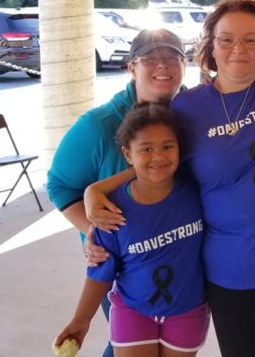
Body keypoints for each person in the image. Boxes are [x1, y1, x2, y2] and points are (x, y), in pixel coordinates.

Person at [89, 0, 255, 357]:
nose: (238, 49)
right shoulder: (188, 108)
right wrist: (97, 191)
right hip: (230, 270)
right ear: (210, 47)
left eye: (251, 39)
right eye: (226, 39)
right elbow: (158, 168)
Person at [47, 28, 187, 357]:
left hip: (179, 263)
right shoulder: (99, 125)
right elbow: (60, 184)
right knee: (128, 345)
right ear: (131, 67)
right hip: (124, 269)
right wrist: (92, 231)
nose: (162, 66)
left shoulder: (192, 115)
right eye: (150, 58)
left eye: (171, 58)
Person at [55, 103, 209, 357]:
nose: (158, 157)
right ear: (128, 154)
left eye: (168, 147)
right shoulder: (111, 212)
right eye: (146, 149)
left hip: (187, 312)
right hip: (132, 313)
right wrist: (81, 320)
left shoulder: (197, 192)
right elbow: (99, 274)